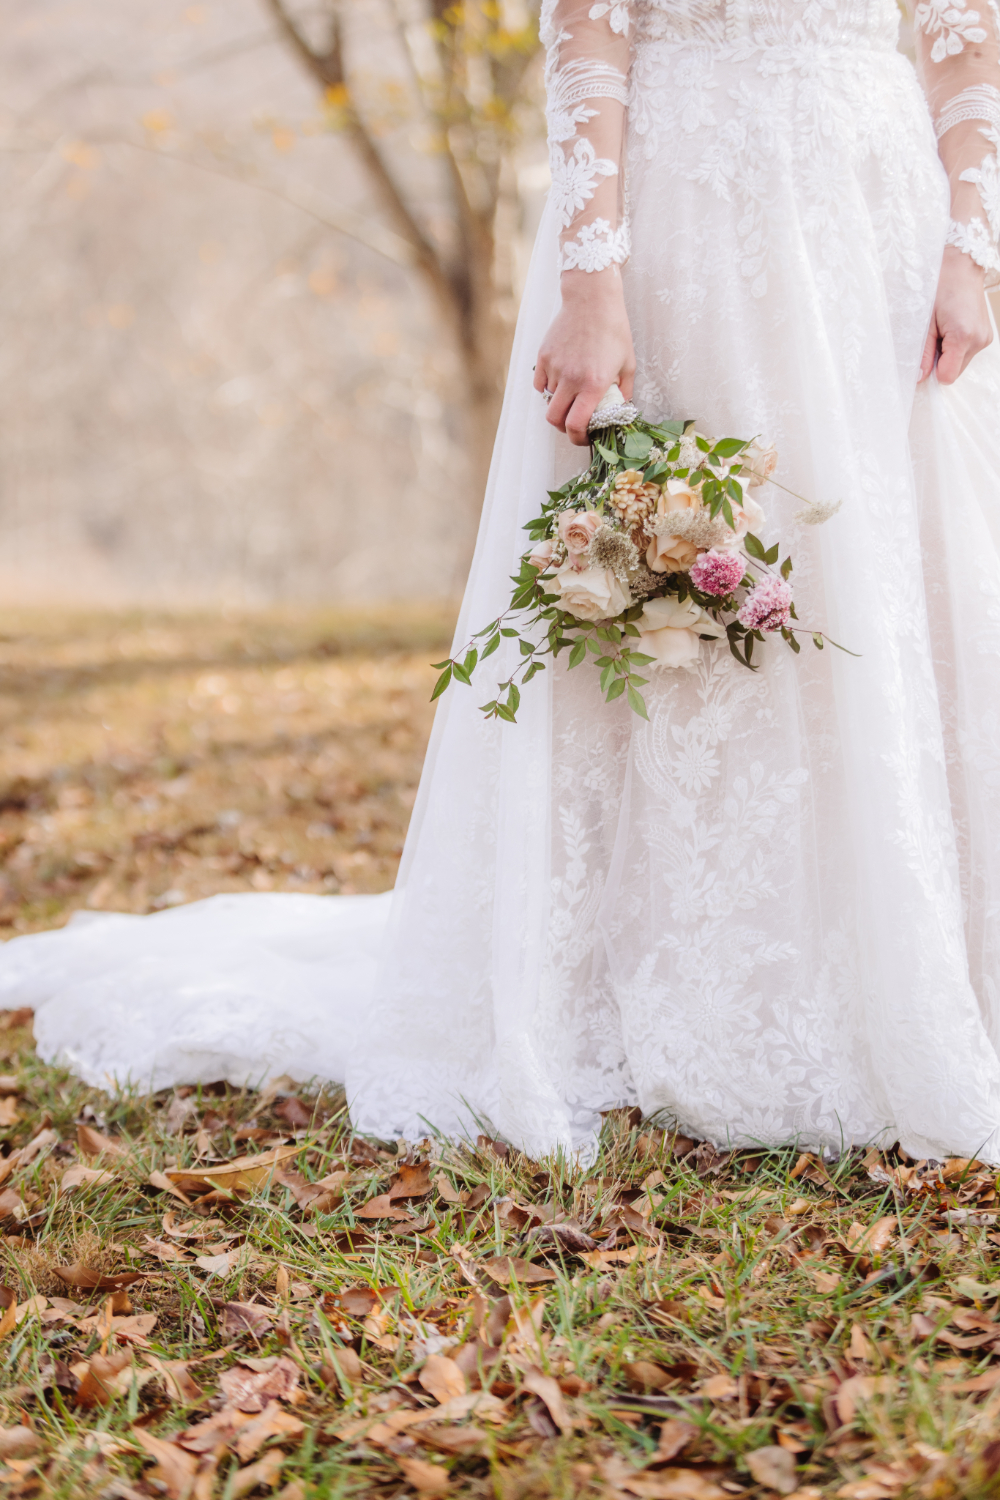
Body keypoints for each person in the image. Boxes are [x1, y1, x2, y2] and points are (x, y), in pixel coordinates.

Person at [5, 0, 1000, 1165]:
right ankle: (662, 981)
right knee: (692, 568)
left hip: (867, 221)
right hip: (681, 219)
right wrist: (593, 285)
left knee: (868, 577)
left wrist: (970, 243)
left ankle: (909, 957)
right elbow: (591, 40)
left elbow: (963, 32)